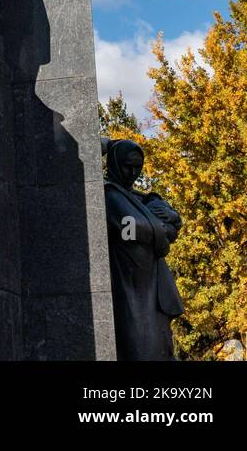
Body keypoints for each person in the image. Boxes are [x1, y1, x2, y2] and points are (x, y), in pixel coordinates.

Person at [104, 139, 184, 361]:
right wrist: (160, 227)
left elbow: (172, 225)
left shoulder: (139, 198)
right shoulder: (111, 194)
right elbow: (132, 226)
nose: (133, 172)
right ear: (115, 163)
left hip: (153, 284)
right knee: (140, 348)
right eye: (128, 165)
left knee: (161, 346)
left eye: (138, 166)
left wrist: (164, 221)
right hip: (130, 287)